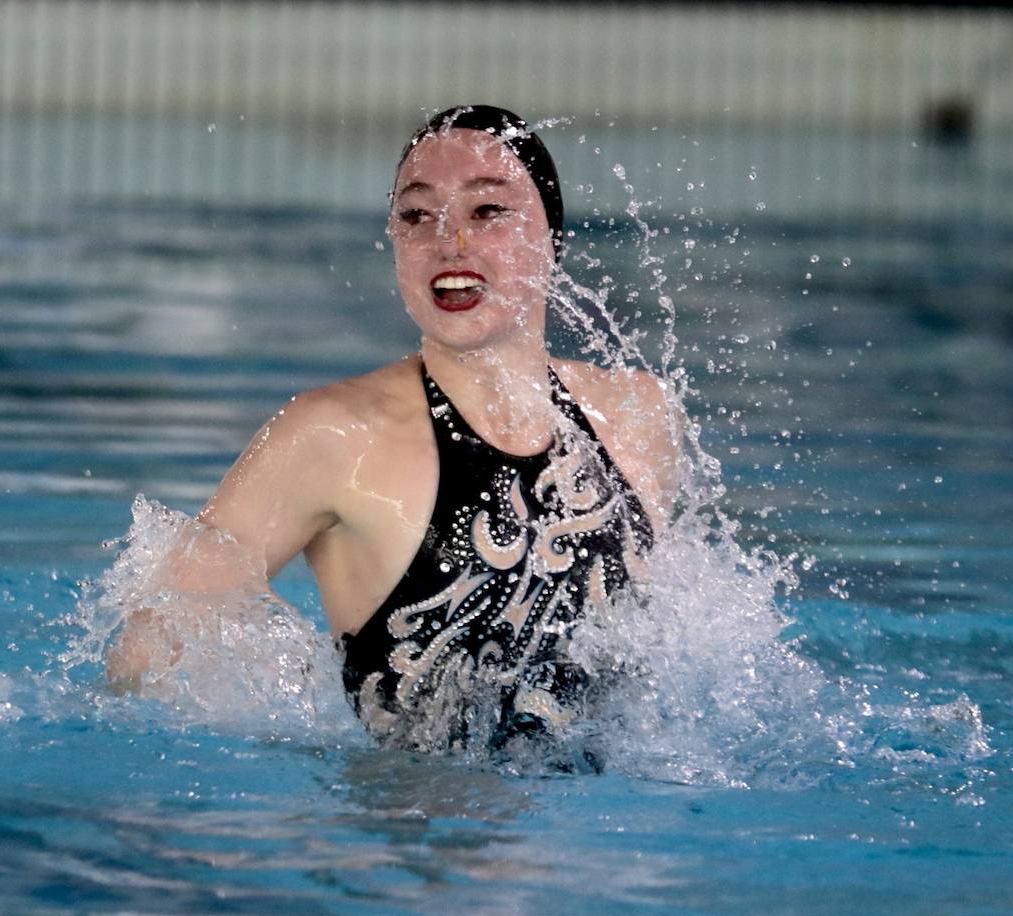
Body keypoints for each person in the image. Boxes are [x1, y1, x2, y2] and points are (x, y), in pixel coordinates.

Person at [108, 105, 682, 751]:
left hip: (606, 836)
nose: (448, 239)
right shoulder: (332, 435)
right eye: (415, 215)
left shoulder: (639, 415)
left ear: (552, 237)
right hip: (418, 832)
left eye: (487, 211)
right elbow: (144, 649)